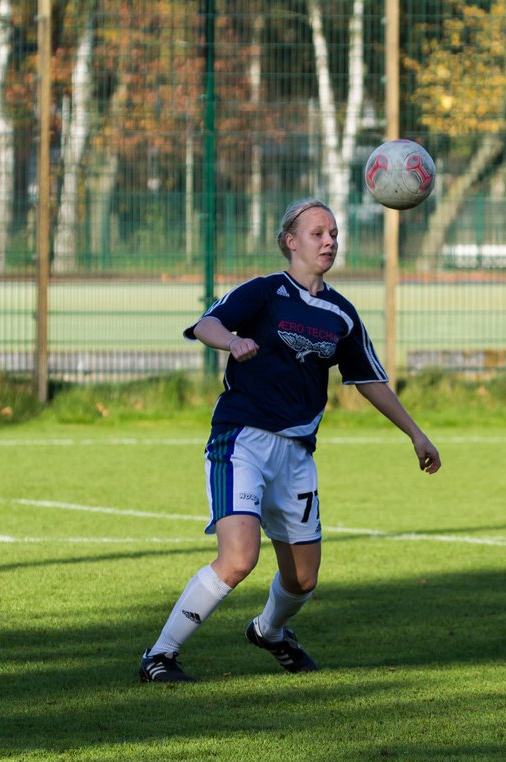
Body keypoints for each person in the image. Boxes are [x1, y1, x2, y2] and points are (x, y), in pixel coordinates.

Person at [138, 198, 442, 683]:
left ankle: (269, 632)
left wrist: (416, 433)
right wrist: (231, 342)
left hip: (297, 454)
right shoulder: (263, 292)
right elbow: (206, 324)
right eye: (318, 233)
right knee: (239, 558)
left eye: (334, 234)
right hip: (243, 440)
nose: (329, 241)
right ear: (290, 241)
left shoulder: (341, 313)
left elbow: (368, 379)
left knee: (303, 580)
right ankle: (159, 656)